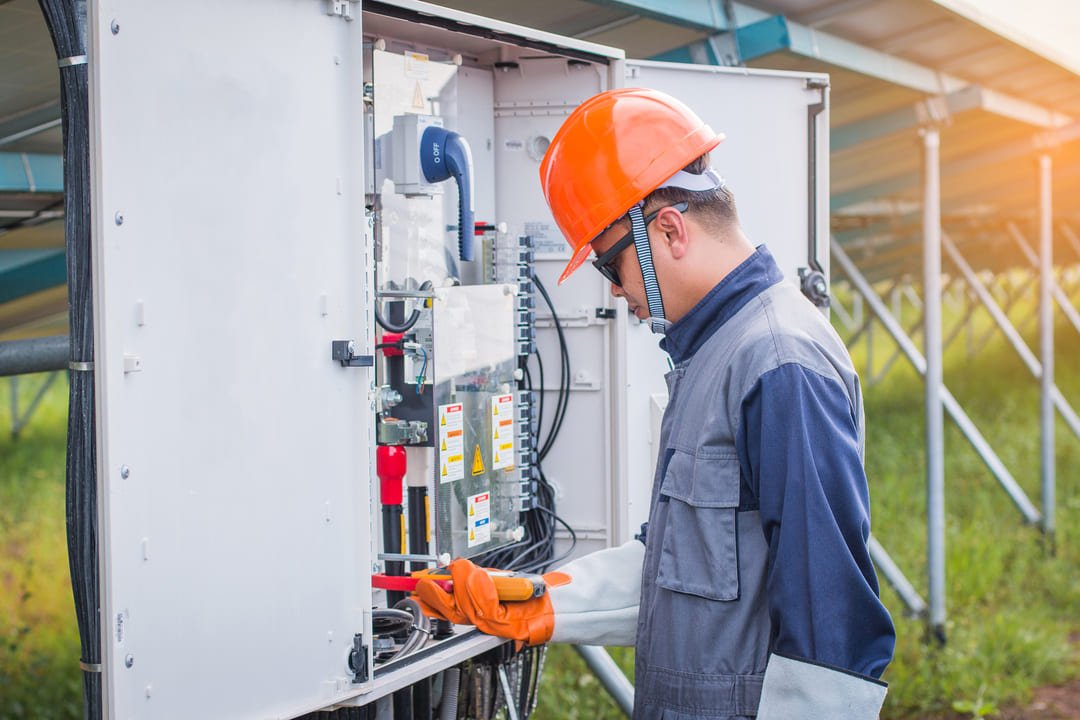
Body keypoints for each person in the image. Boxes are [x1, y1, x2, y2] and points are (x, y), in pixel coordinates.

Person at [416, 87, 895, 719]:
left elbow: (832, 626)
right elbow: (684, 569)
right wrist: (540, 599)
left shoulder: (779, 363)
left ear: (667, 229)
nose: (615, 293)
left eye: (611, 267)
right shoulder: (714, 354)